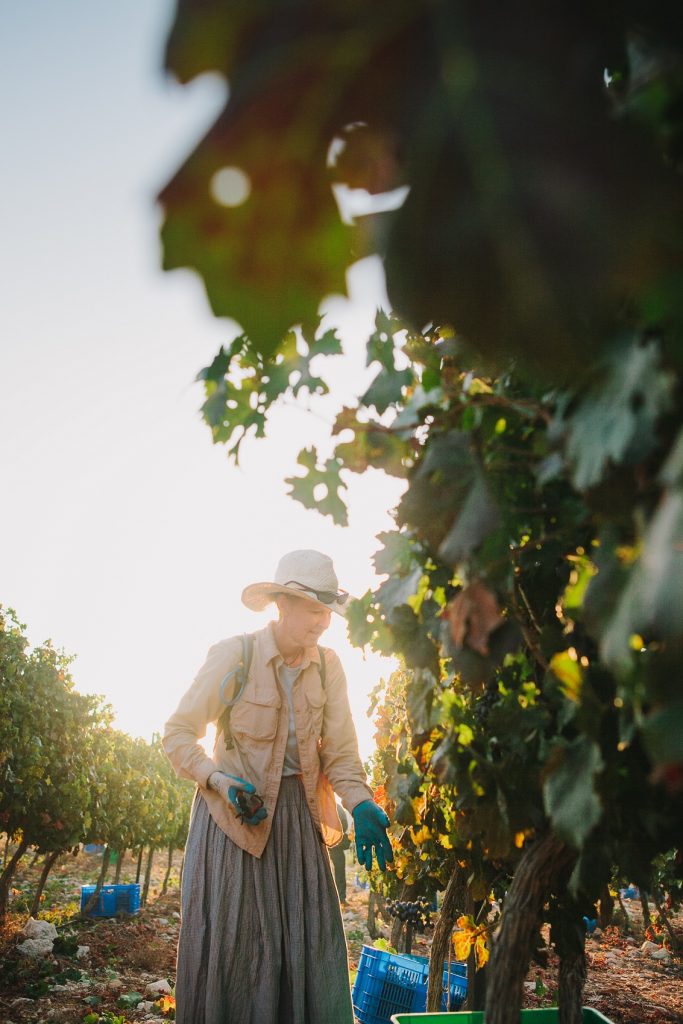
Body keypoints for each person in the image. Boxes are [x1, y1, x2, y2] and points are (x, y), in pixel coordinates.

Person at [163, 550, 393, 1024]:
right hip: (233, 823)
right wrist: (219, 780)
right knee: (238, 949)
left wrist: (362, 802)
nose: (323, 621)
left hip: (297, 822)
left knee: (310, 953)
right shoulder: (236, 654)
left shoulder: (329, 668)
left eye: (327, 610)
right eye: (313, 609)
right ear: (282, 604)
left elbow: (342, 754)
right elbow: (178, 733)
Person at [329, 801, 352, 904]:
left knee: (325, 870)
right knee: (339, 871)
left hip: (324, 844)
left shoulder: (319, 804)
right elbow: (345, 825)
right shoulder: (337, 806)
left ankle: (332, 898)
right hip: (336, 844)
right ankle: (341, 898)